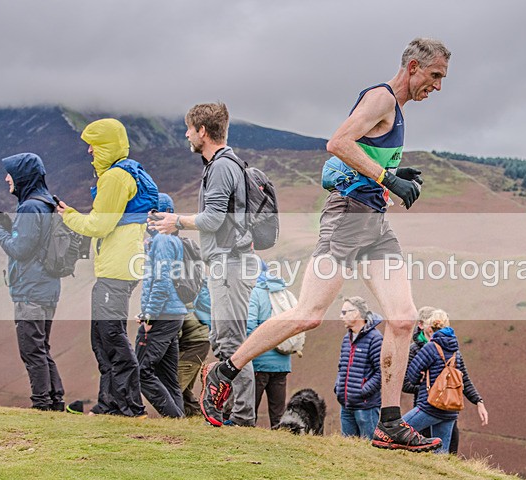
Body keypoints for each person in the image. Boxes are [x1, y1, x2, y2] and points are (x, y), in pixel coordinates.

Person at [192, 38, 451, 452]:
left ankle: (389, 423)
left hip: (374, 223)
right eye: (435, 76)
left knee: (402, 319)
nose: (437, 86)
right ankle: (225, 371)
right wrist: (389, 179)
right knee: (308, 314)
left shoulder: (394, 109)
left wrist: (394, 169)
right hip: (347, 218)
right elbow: (338, 143)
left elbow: (361, 152)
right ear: (414, 67)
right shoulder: (382, 98)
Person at [148, 102, 256, 427]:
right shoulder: (219, 165)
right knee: (225, 343)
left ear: (203, 132)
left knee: (234, 345)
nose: (186, 134)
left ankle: (243, 420)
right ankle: (229, 416)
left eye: (189, 129)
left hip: (230, 265)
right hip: (226, 264)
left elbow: (212, 218)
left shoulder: (222, 167)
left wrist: (176, 222)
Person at [57, 118, 158, 417]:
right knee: (101, 338)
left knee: (110, 335)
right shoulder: (124, 173)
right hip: (118, 267)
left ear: (106, 146)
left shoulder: (115, 177)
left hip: (116, 268)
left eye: (94, 144)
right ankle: (110, 404)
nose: (89, 150)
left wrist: (69, 215)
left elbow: (99, 225)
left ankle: (130, 406)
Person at [0, 153, 64, 411]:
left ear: (23, 176)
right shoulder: (46, 202)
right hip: (48, 288)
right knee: (42, 348)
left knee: (32, 350)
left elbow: (20, 250)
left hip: (31, 290)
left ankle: (41, 405)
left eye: (11, 173)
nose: (7, 178)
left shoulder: (30, 207)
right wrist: (8, 224)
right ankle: (55, 402)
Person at [403, 309, 488, 454]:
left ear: (429, 328)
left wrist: (425, 380)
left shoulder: (430, 347)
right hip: (450, 410)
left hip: (429, 407)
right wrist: (478, 401)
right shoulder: (456, 352)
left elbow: (411, 377)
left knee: (396, 430)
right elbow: (464, 380)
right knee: (441, 454)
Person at [134, 193, 187, 418]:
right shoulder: (169, 240)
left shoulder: (163, 241)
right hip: (172, 314)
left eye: (150, 212)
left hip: (163, 316)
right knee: (167, 376)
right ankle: (180, 425)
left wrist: (149, 316)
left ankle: (174, 418)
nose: (146, 217)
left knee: (140, 371)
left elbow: (162, 281)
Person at [246, 263, 295, 428]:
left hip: (260, 361)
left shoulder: (256, 293)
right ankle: (279, 443)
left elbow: (249, 327)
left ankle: (246, 441)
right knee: (278, 414)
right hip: (283, 362)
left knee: (250, 409)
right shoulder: (285, 293)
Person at [335, 297, 382, 440]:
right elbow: (341, 367)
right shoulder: (346, 338)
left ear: (356, 313)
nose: (340, 316)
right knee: (347, 450)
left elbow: (382, 372)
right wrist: (338, 387)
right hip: (346, 405)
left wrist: (363, 391)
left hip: (366, 407)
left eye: (344, 312)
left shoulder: (375, 338)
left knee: (369, 449)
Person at [178, 284, 212, 417]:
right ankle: (195, 413)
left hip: (194, 346)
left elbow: (177, 334)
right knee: (182, 386)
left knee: (176, 384)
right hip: (199, 344)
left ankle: (178, 415)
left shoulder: (182, 304)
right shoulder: (193, 300)